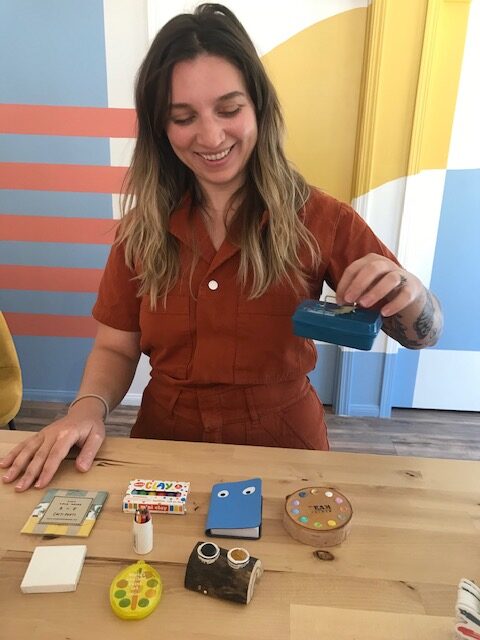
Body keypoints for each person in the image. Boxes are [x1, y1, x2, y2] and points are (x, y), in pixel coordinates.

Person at [1, 3, 443, 492]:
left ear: (259, 107)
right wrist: (86, 409)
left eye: (229, 110)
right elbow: (114, 346)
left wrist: (410, 293)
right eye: (183, 117)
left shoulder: (323, 218)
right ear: (161, 128)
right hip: (165, 446)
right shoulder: (141, 230)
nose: (211, 136)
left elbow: (423, 334)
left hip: (285, 447)